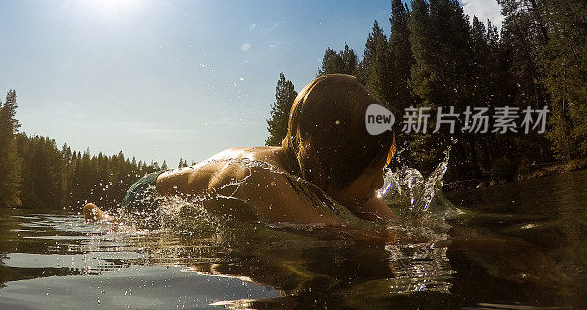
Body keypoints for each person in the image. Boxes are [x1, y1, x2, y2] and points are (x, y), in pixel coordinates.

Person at [84, 73, 397, 228]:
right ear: (324, 162)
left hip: (197, 177)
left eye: (381, 171)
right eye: (370, 174)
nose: (379, 184)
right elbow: (339, 234)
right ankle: (101, 217)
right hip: (151, 193)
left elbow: (393, 228)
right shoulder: (264, 178)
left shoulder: (316, 173)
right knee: (125, 232)